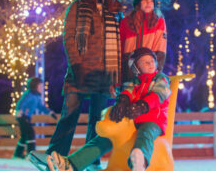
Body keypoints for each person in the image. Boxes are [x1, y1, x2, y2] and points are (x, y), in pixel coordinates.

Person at [36, 0, 124, 169]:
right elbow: (69, 38)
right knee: (69, 116)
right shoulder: (76, 6)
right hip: (80, 72)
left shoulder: (116, 9)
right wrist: (76, 66)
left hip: (104, 75)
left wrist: (116, 77)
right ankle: (53, 156)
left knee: (97, 122)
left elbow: (120, 44)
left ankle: (91, 160)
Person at [38, 47, 171, 171]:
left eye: (152, 61)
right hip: (132, 120)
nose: (150, 64)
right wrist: (121, 102)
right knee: (105, 137)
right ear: (136, 68)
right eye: (145, 62)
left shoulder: (160, 79)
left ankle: (139, 160)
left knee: (145, 134)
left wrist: (142, 106)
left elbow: (158, 94)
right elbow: (127, 92)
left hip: (153, 120)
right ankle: (71, 164)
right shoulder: (134, 82)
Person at [120, 0, 167, 83]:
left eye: (151, 1)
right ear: (137, 3)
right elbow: (121, 47)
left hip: (149, 72)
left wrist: (156, 72)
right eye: (145, 0)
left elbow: (160, 49)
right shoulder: (126, 22)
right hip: (129, 71)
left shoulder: (158, 22)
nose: (149, 3)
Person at [13, 77, 57, 159]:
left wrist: (50, 113)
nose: (42, 88)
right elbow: (21, 103)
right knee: (30, 134)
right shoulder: (29, 94)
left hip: (26, 117)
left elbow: (41, 107)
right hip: (22, 117)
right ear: (35, 86)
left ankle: (17, 155)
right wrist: (20, 111)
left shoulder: (37, 97)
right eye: (40, 86)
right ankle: (30, 155)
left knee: (24, 136)